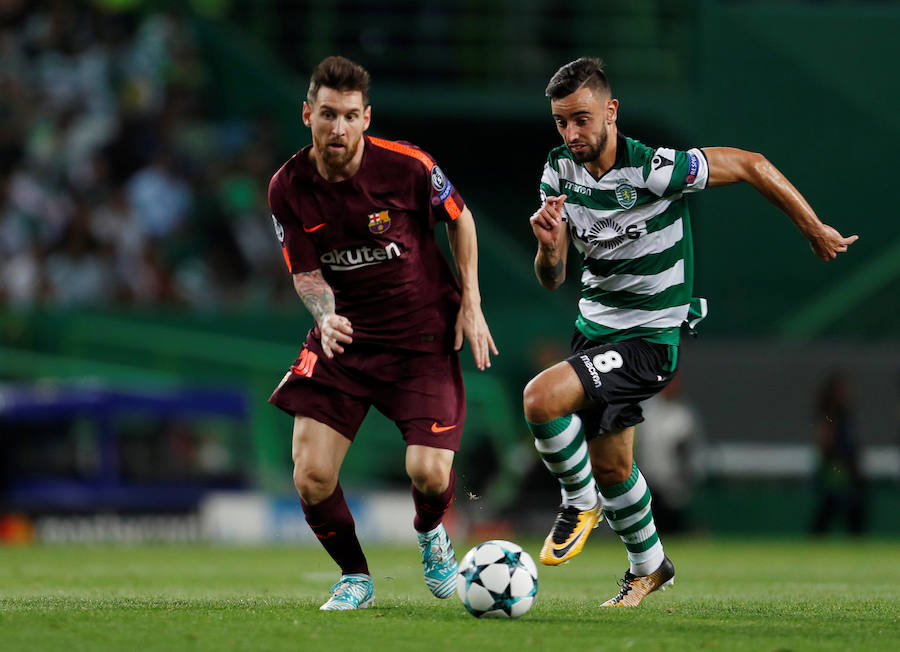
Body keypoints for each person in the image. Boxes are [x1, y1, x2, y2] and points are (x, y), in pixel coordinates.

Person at [522, 57, 858, 607]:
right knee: (613, 467)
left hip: (650, 338)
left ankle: (576, 501)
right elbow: (551, 277)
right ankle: (650, 567)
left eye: (581, 119)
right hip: (594, 329)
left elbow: (751, 164)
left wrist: (812, 226)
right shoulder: (558, 173)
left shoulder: (654, 167)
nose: (572, 133)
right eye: (561, 122)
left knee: (540, 399)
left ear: (610, 111)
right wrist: (548, 246)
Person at [267, 56, 497, 611]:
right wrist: (324, 316)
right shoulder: (287, 187)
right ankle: (355, 577)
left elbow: (461, 218)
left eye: (349, 116)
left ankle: (430, 532)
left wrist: (472, 300)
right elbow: (305, 269)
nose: (338, 128)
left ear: (367, 117)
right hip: (345, 342)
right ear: (307, 115)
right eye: (327, 114)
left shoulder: (409, 168)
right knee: (312, 475)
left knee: (427, 470)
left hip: (422, 342)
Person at [810, 370, 865, 535]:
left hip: (845, 465)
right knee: (836, 502)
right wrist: (834, 459)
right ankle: (817, 536)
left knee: (845, 504)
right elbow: (825, 436)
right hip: (836, 465)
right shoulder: (830, 413)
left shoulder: (843, 413)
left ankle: (853, 537)